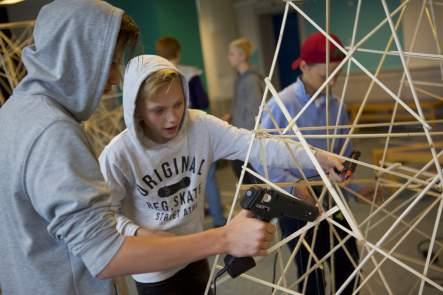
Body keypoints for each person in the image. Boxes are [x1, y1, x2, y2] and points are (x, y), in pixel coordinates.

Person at [0, 1, 278, 294]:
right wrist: (223, 238)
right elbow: (106, 254)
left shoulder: (14, 113)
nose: (115, 77)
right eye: (109, 63)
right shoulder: (53, 132)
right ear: (77, 56)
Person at [98, 54, 345, 294]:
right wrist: (139, 232)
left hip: (196, 251)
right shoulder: (119, 155)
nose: (172, 118)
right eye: (158, 110)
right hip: (153, 267)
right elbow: (104, 216)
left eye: (178, 104)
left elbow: (259, 145)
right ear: (136, 110)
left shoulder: (201, 126)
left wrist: (320, 158)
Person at [254, 32, 360, 295]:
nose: (332, 82)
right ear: (303, 67)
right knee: (311, 266)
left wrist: (349, 180)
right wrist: (293, 186)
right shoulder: (280, 105)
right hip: (295, 203)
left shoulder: (337, 106)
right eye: (326, 76)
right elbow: (259, 156)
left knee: (348, 258)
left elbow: (342, 154)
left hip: (331, 197)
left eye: (337, 75)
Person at [156, 36, 226, 227]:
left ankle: (186, 224)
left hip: (165, 136)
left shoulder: (153, 77)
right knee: (207, 175)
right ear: (178, 52)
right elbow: (203, 102)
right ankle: (218, 219)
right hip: (191, 129)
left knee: (177, 181)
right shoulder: (190, 74)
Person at [227, 37, 265, 182]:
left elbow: (254, 111)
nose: (228, 57)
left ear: (242, 56)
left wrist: (244, 138)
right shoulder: (239, 78)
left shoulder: (251, 80)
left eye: (232, 53)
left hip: (246, 138)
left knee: (251, 180)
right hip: (240, 135)